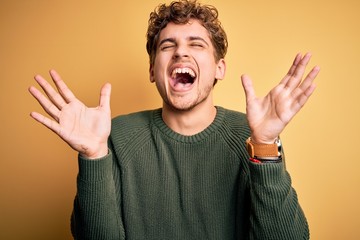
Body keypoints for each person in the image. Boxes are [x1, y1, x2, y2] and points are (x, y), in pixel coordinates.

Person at [29, 0, 320, 239]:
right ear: (153, 71)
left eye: (196, 44)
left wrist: (266, 145)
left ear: (219, 68)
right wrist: (93, 156)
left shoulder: (252, 134)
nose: (181, 51)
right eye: (167, 46)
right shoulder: (115, 136)